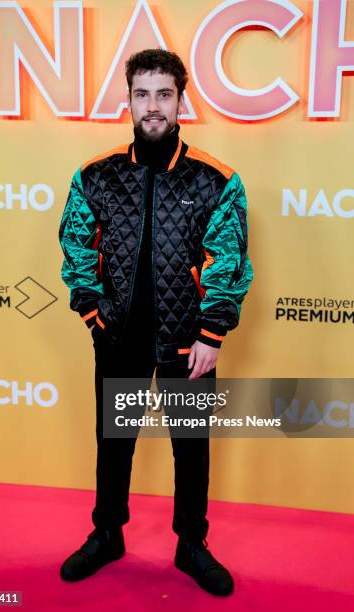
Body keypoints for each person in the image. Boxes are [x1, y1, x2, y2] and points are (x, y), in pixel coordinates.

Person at [58, 48, 253, 596]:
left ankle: (192, 543)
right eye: (141, 93)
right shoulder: (96, 176)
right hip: (117, 338)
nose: (152, 106)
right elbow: (76, 245)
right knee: (112, 442)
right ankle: (107, 534)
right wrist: (94, 313)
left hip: (187, 346)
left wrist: (212, 333)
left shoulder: (215, 180)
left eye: (163, 94)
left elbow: (229, 259)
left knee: (191, 446)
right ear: (128, 99)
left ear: (180, 101)